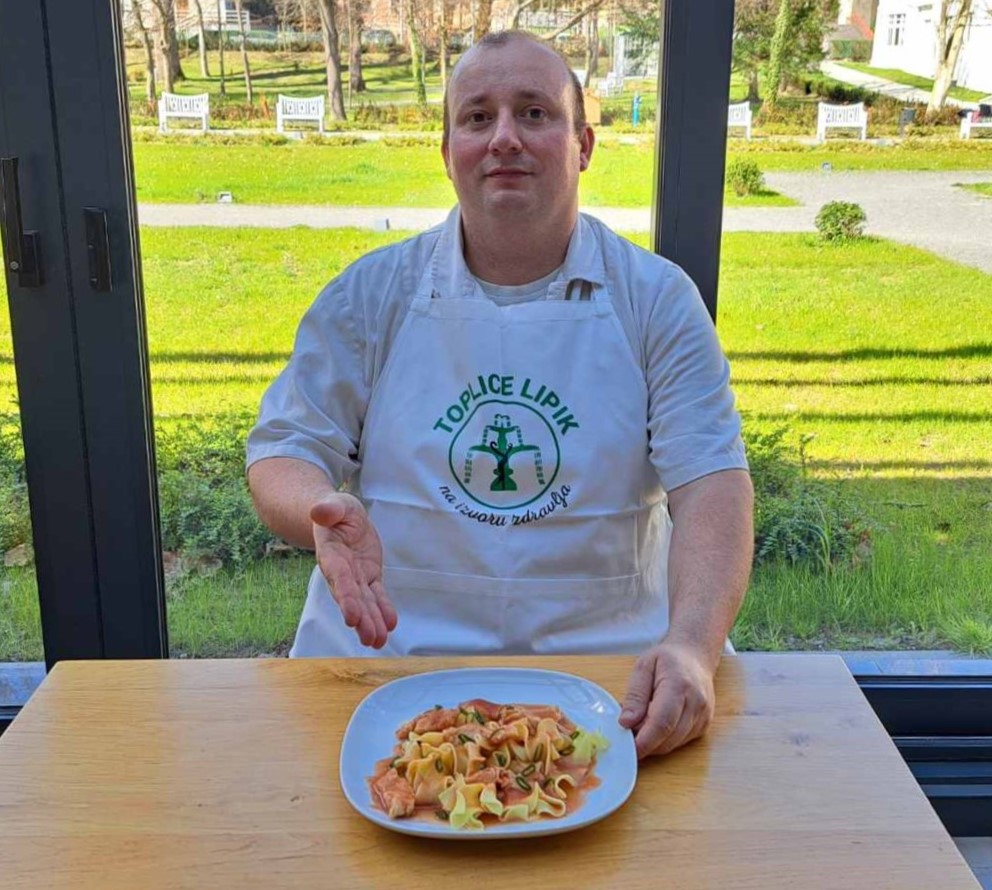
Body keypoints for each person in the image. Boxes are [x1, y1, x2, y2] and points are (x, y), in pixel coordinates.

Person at [246, 30, 754, 760]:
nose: (504, 137)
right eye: (478, 117)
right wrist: (317, 511)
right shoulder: (368, 295)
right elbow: (285, 450)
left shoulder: (656, 299)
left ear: (583, 144)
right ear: (447, 149)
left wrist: (693, 648)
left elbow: (712, 483)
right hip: (387, 669)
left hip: (611, 680)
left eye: (534, 113)